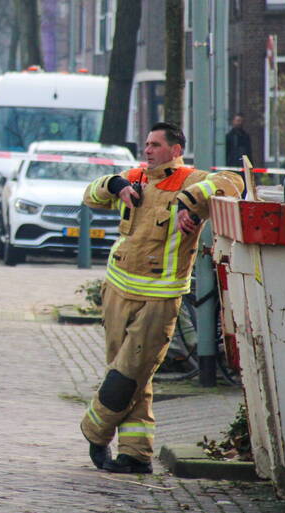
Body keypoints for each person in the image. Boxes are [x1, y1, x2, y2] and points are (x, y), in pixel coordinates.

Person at [79, 122, 243, 474]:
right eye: (146, 144)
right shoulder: (135, 176)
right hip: (117, 288)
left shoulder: (190, 179)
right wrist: (114, 183)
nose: (148, 150)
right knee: (133, 377)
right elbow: (89, 195)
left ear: (176, 149)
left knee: (128, 373)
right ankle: (135, 454)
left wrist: (190, 201)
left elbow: (233, 182)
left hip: (159, 296)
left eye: (155, 144)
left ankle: (95, 429)